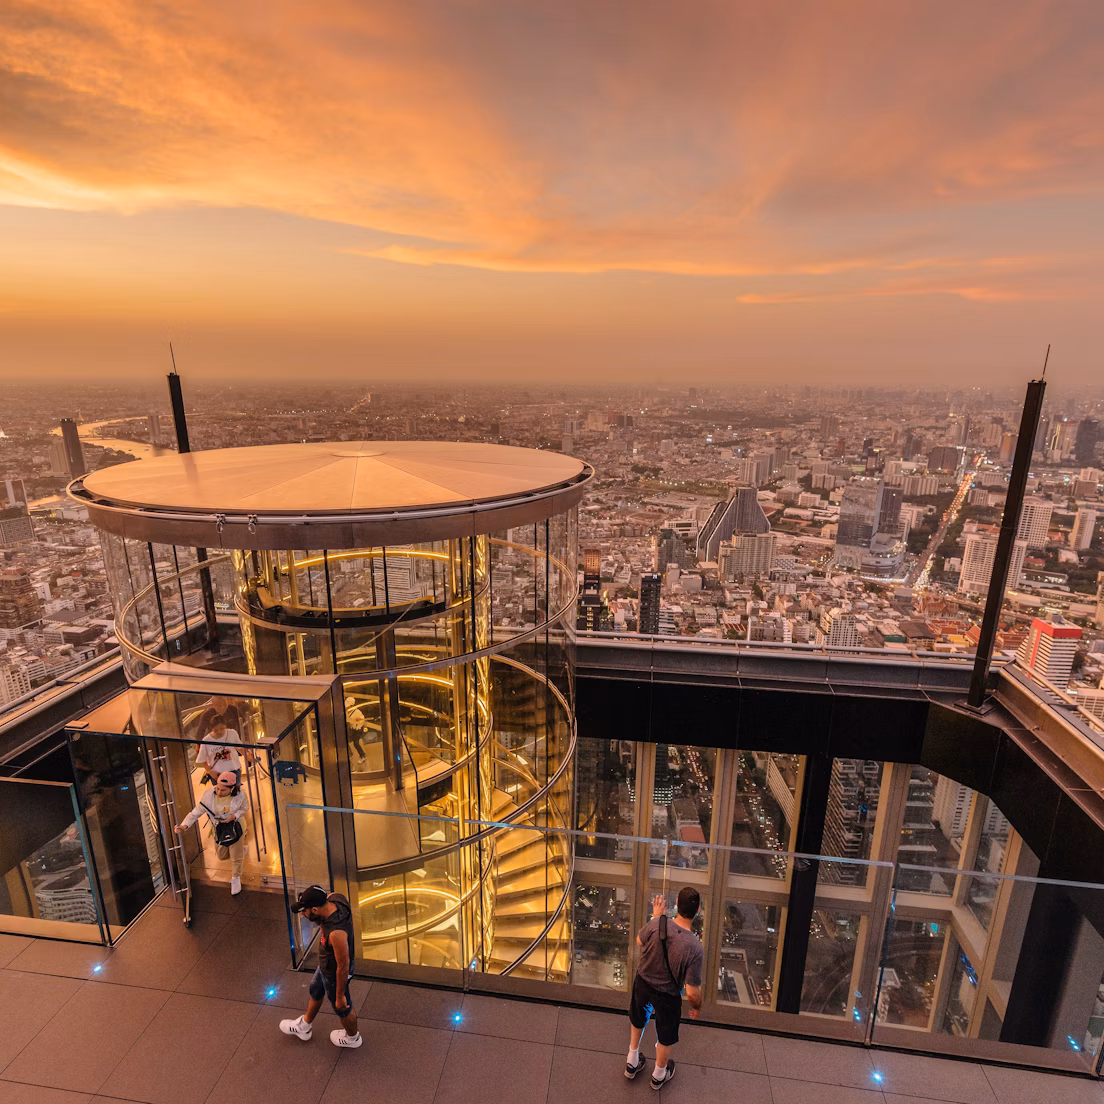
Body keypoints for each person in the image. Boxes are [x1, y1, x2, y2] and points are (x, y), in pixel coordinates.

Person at [625, 888, 703, 1088]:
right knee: (665, 1034)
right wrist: (696, 1007)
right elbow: (692, 992)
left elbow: (639, 941)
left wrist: (655, 917)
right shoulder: (694, 947)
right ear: (698, 910)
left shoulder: (657, 923)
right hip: (668, 994)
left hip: (643, 982)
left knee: (638, 1018)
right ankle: (659, 1075)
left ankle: (632, 1061)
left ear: (677, 903)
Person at [280, 885, 363, 1049]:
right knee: (316, 989)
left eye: (306, 911)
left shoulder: (336, 933)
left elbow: (343, 966)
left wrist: (340, 996)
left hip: (334, 973)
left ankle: (353, 1038)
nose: (304, 914)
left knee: (343, 1008)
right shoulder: (336, 898)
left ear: (316, 909)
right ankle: (304, 1026)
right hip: (326, 965)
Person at [175, 771, 248, 896]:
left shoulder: (240, 795)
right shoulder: (209, 796)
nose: (219, 792)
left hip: (236, 827)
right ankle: (242, 850)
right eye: (217, 788)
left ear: (231, 789)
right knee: (221, 855)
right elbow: (195, 813)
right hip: (219, 829)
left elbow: (244, 809)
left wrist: (233, 816)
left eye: (223, 790)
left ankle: (236, 878)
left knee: (236, 857)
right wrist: (184, 825)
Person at [195, 718, 252, 785]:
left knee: (236, 792)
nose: (219, 732)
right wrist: (210, 771)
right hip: (217, 773)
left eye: (222, 729)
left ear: (225, 726)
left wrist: (248, 756)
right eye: (216, 730)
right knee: (220, 793)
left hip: (234, 769)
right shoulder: (206, 740)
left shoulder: (232, 733)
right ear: (211, 729)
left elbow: (239, 747)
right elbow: (202, 760)